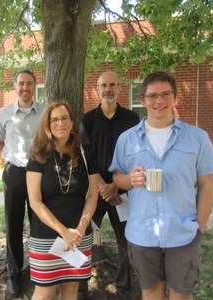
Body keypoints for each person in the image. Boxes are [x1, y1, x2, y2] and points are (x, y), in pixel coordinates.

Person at [109, 71, 213, 300]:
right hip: (142, 232)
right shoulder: (127, 139)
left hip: (183, 233)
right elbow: (117, 178)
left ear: (175, 98)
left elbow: (206, 186)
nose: (159, 101)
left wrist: (199, 227)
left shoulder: (197, 137)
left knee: (181, 295)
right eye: (152, 96)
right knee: (150, 292)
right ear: (142, 100)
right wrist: (130, 179)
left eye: (165, 95)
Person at [26, 101, 99, 300]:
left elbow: (93, 194)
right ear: (48, 124)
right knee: (45, 292)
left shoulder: (85, 153)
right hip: (46, 235)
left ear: (72, 121)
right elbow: (35, 202)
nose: (60, 123)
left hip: (78, 235)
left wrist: (80, 230)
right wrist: (63, 232)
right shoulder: (38, 155)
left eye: (64, 118)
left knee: (71, 288)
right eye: (55, 119)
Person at [79, 71, 139, 299]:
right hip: (95, 192)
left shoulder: (132, 119)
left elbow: (135, 155)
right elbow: (86, 155)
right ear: (97, 89)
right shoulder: (88, 120)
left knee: (126, 241)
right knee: (84, 239)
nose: (108, 89)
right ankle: (81, 289)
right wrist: (104, 187)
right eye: (103, 85)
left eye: (112, 85)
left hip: (122, 193)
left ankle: (124, 288)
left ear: (119, 88)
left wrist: (116, 186)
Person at [0, 69, 45, 296]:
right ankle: (14, 273)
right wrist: (7, 160)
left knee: (39, 223)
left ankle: (38, 269)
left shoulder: (45, 111)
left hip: (39, 173)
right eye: (21, 83)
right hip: (14, 172)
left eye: (29, 83)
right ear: (15, 86)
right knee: (13, 224)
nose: (25, 87)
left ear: (35, 86)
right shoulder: (4, 113)